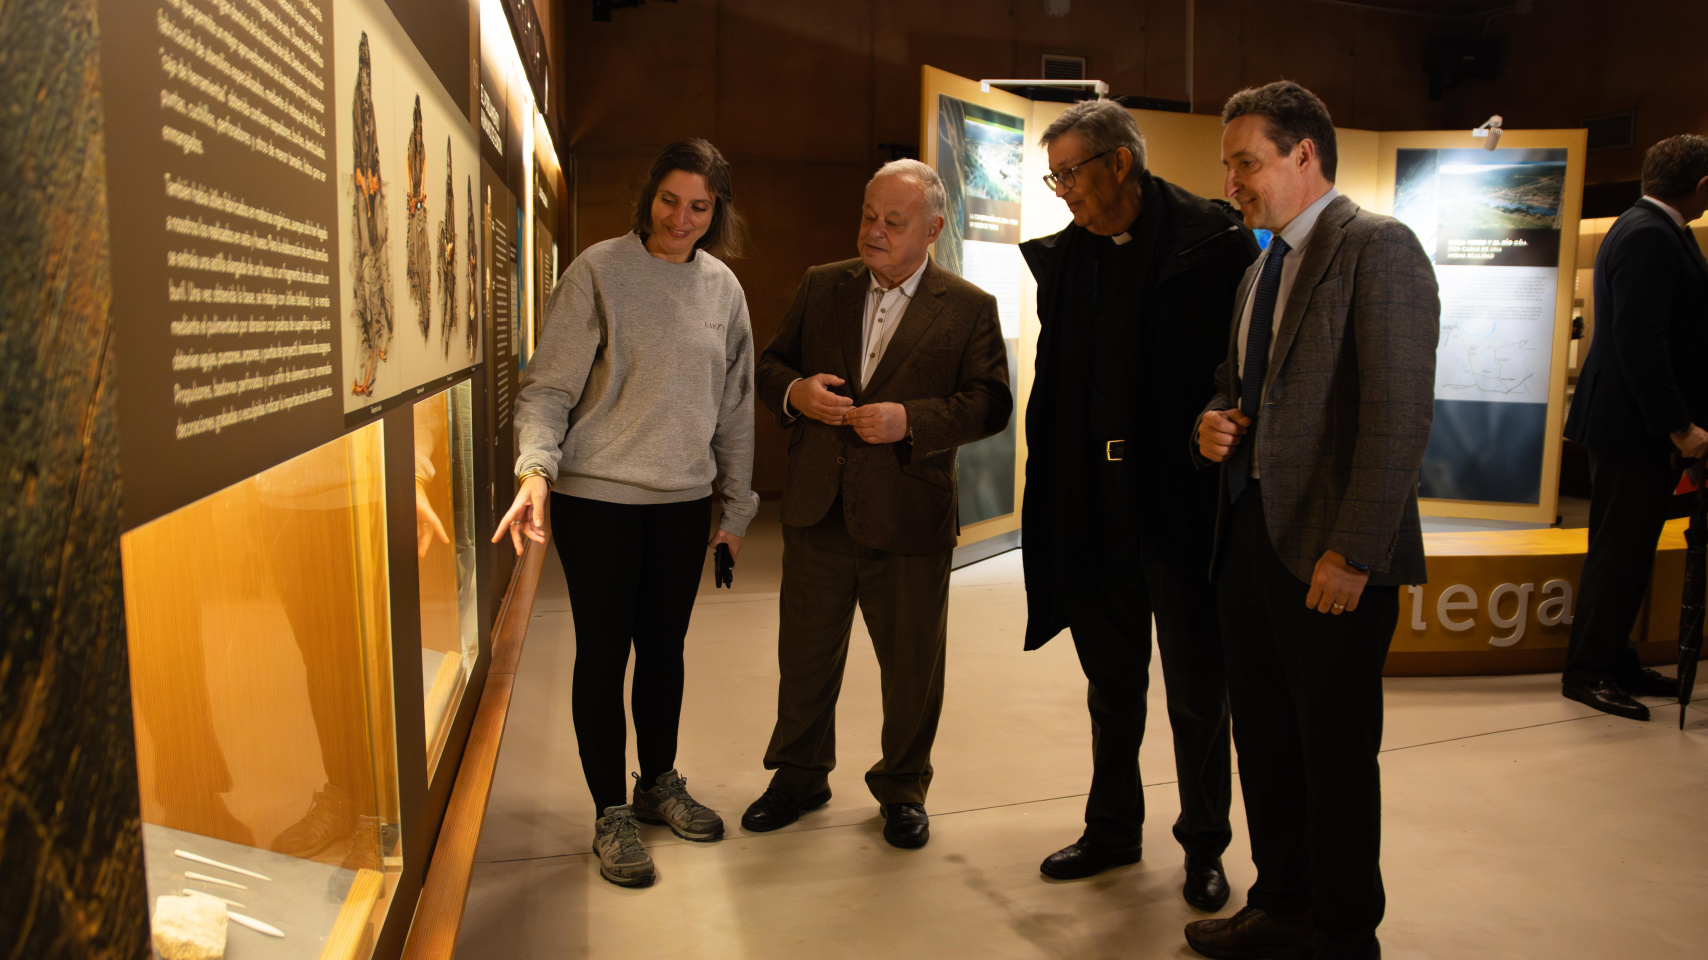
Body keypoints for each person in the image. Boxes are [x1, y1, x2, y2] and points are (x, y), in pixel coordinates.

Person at [1186, 82, 1438, 960]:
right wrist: (1210, 422)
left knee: (1332, 756)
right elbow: (1236, 385)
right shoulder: (1261, 263)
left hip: (1333, 556)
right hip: (1250, 538)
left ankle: (1341, 934)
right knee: (1263, 741)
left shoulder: (1379, 249)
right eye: (1228, 164)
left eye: (1245, 161)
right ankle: (1284, 902)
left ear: (1305, 155)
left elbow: (1398, 415)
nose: (1232, 181)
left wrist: (1354, 552)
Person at [496, 139, 759, 888]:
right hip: (598, 500)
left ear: (717, 213)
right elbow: (547, 388)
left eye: (699, 206)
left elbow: (735, 409)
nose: (681, 218)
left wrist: (735, 511)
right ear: (649, 195)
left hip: (681, 504)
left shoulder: (723, 291)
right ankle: (610, 812)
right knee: (604, 653)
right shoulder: (599, 272)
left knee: (665, 650)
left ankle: (657, 784)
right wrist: (535, 469)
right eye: (670, 200)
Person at [1018, 99, 1256, 909]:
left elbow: (1239, 374)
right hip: (1095, 504)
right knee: (1111, 683)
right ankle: (1113, 827)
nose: (1063, 193)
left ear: (1121, 162)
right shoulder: (1069, 258)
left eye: (1071, 173)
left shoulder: (1213, 243)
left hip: (1180, 503)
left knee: (1197, 687)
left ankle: (1205, 846)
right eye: (1055, 177)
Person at [739, 159, 1012, 849]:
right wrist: (797, 394)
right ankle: (798, 774)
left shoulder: (970, 307)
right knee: (804, 657)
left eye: (894, 221)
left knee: (913, 665)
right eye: (869, 215)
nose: (875, 231)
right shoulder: (822, 286)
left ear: (933, 228)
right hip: (817, 508)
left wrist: (910, 420)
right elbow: (771, 366)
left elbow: (990, 404)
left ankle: (903, 787)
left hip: (908, 516)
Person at [1560, 135, 1708, 721]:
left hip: (1632, 425)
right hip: (1635, 428)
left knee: (1629, 551)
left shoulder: (1648, 226)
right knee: (1618, 553)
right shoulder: (1649, 233)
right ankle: (1588, 671)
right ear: (1699, 186)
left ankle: (1615, 658)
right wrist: (1679, 426)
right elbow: (1641, 345)